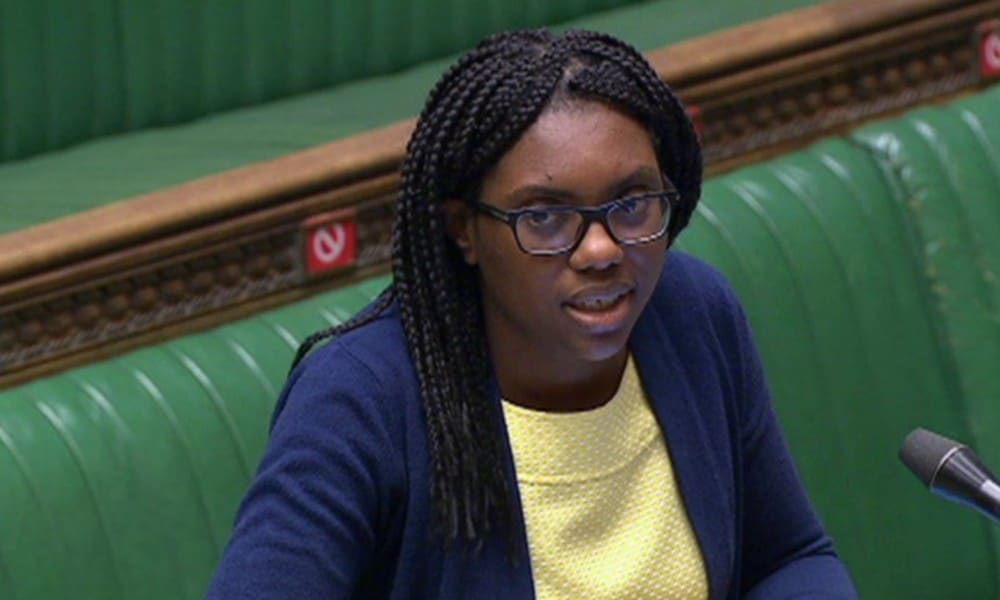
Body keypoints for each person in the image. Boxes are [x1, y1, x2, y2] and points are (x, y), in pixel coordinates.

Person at [207, 29, 857, 599]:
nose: (601, 250)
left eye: (633, 205)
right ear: (463, 229)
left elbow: (789, 559)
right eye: (545, 217)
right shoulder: (362, 397)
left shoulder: (692, 315)